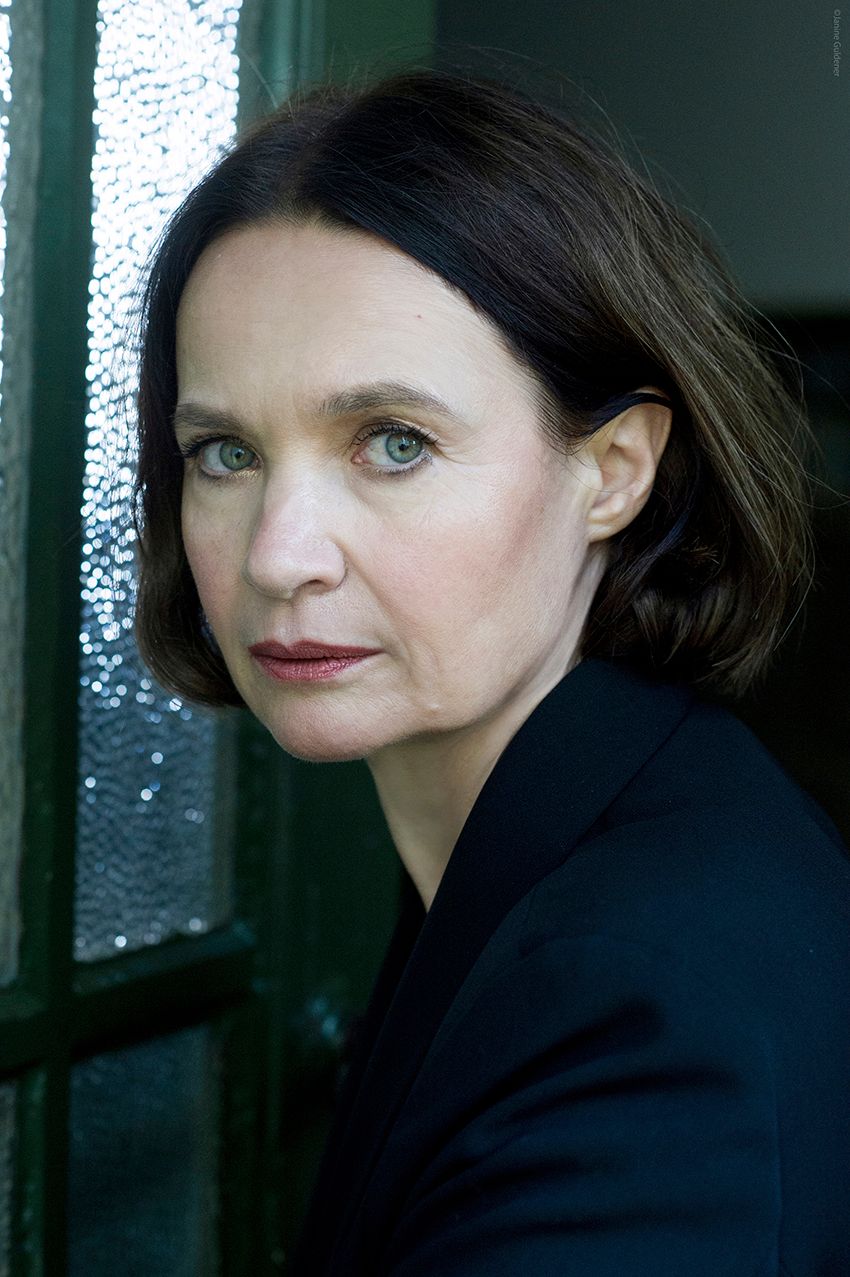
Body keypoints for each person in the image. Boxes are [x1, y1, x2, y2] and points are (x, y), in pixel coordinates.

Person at [131, 64, 850, 1275]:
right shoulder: (553, 852)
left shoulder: (637, 993)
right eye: (225, 452)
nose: (279, 554)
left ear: (613, 469)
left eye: (393, 442)